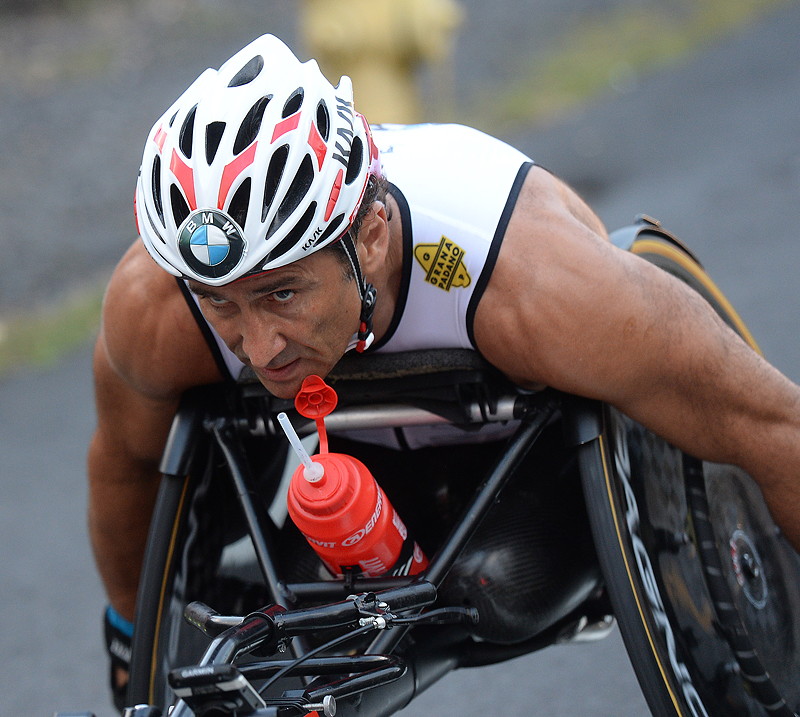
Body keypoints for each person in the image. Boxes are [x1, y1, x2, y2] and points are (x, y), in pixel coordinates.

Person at [88, 34, 800, 708]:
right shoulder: (156, 306)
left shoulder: (531, 276)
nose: (259, 344)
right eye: (222, 303)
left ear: (368, 237)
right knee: (282, 627)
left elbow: (773, 426)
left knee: (496, 581)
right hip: (338, 482)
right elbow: (126, 466)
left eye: (282, 293)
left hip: (530, 490)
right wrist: (132, 643)